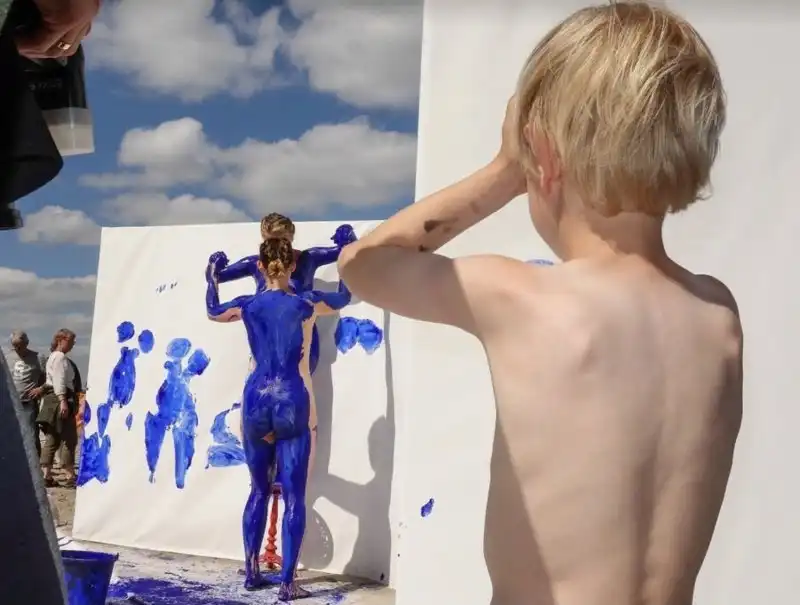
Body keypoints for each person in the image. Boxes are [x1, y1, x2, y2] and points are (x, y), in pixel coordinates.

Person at [338, 4, 743, 605]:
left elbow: (364, 264)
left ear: (544, 157)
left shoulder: (523, 297)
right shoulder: (718, 316)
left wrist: (504, 170)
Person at [206, 237, 352, 601]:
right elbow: (344, 297)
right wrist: (347, 253)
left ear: (260, 267)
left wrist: (212, 275)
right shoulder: (307, 303)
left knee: (258, 490)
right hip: (291, 399)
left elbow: (212, 310)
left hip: (256, 399)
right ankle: (287, 583)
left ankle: (252, 571)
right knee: (294, 496)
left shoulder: (247, 304)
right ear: (293, 266)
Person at [39, 328, 79, 487]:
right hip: (59, 399)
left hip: (53, 399)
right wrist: (63, 400)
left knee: (52, 437)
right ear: (61, 340)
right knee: (69, 437)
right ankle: (69, 475)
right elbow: (59, 380)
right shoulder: (60, 357)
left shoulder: (53, 357)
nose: (73, 344)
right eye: (71, 341)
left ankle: (46, 475)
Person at [7, 330, 47, 457]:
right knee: (10, 434)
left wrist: (40, 389)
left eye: (20, 345)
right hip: (10, 403)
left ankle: (35, 462)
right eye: (15, 345)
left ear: (27, 343)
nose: (17, 348)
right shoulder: (6, 357)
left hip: (27, 403)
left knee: (31, 435)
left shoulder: (38, 358)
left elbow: (49, 377)